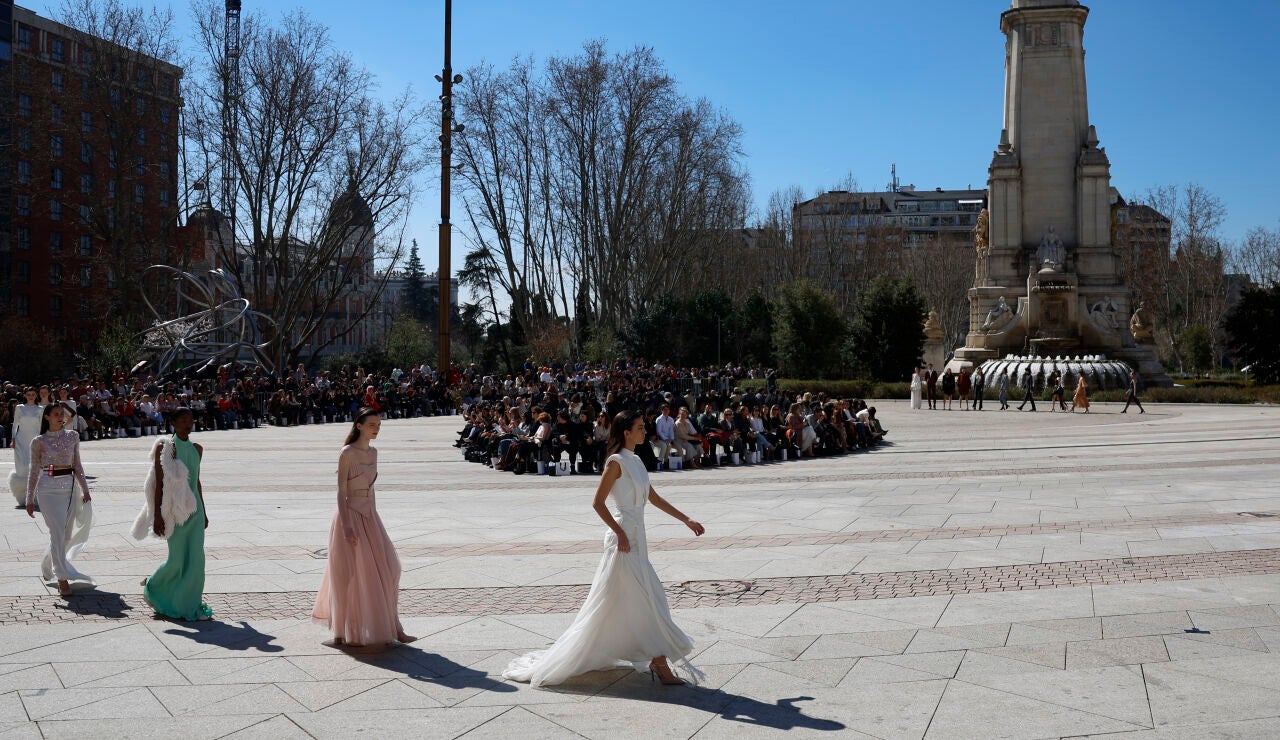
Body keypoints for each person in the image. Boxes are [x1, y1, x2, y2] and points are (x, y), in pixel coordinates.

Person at [503, 410, 706, 687]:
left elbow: (654, 498)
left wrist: (686, 519)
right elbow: (597, 502)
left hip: (638, 537)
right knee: (650, 597)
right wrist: (619, 531)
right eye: (640, 426)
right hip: (623, 539)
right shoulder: (616, 462)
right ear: (626, 432)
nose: (644, 430)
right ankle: (658, 660)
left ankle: (652, 657)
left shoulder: (636, 460)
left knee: (627, 600)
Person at [312, 407, 417, 648]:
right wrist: (347, 525)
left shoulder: (374, 452)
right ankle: (343, 632)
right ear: (358, 425)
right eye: (372, 424)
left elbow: (372, 489)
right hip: (349, 517)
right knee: (349, 574)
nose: (376, 428)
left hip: (370, 516)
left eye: (379, 425)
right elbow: (340, 491)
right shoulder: (347, 452)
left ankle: (394, 627)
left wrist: (376, 520)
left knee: (391, 567)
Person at [136, 407, 213, 620]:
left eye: (191, 419)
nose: (188, 423)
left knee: (197, 561)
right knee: (177, 561)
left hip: (195, 512)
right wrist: (159, 515)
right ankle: (153, 585)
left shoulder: (198, 449)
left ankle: (190, 605)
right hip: (175, 512)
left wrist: (204, 512)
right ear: (173, 422)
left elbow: (196, 481)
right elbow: (160, 483)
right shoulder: (166, 447)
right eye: (183, 419)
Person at [26, 403, 94, 596]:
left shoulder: (73, 436)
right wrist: (29, 498)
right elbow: (33, 471)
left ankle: (49, 561)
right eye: (56, 414)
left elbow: (78, 465)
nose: (60, 417)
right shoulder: (38, 441)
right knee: (57, 532)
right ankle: (62, 577)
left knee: (66, 534)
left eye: (62, 414)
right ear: (46, 417)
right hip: (47, 489)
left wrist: (85, 489)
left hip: (70, 489)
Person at [10, 387, 44, 506]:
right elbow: (15, 425)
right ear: (25, 395)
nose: (30, 396)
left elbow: (41, 427)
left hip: (34, 441)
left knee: (34, 468)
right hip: (20, 441)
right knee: (22, 467)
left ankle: (35, 497)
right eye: (28, 394)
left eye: (33, 394)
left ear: (36, 395)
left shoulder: (40, 409)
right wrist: (13, 439)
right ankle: (22, 497)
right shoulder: (19, 408)